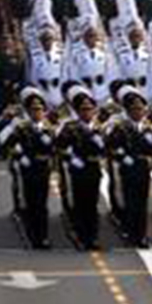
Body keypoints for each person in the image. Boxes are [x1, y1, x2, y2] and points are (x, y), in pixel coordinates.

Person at [0, 87, 56, 249]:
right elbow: (7, 143)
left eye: (40, 110)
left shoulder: (48, 128)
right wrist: (19, 155)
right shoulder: (22, 127)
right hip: (28, 168)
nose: (37, 113)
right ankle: (33, 236)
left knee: (42, 205)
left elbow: (56, 147)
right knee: (31, 203)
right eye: (34, 110)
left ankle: (43, 236)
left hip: (43, 168)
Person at [57, 87, 106, 250]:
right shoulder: (70, 127)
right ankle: (81, 237)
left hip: (93, 168)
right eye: (83, 110)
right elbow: (60, 147)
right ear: (77, 111)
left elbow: (108, 148)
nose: (87, 112)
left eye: (90, 109)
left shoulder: (99, 128)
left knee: (92, 205)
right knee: (79, 204)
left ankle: (93, 237)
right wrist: (72, 158)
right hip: (78, 170)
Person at [107, 86, 152, 247]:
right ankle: (130, 232)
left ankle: (141, 235)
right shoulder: (121, 127)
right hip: (128, 167)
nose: (139, 112)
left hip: (142, 166)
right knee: (130, 201)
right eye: (135, 109)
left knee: (142, 203)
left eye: (141, 108)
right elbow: (112, 146)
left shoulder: (148, 128)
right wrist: (123, 156)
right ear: (128, 111)